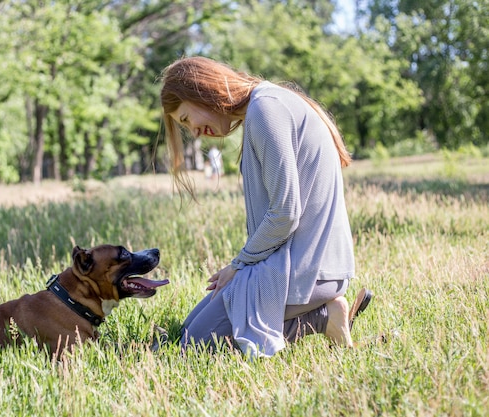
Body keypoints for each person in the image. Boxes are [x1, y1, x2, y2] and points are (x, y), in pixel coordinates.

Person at [159, 56, 372, 358]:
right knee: (188, 329)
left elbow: (285, 212)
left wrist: (238, 265)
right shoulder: (263, 106)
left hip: (308, 270)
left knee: (196, 344)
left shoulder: (265, 109)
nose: (192, 131)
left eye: (185, 119)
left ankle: (324, 317)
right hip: (294, 263)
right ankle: (322, 313)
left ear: (200, 92)